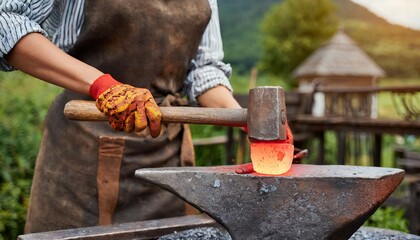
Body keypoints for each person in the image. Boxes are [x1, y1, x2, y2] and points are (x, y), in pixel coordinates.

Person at [0, 0, 244, 233]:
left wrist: (243, 119)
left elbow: (203, 70)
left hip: (169, 164)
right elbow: (7, 21)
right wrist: (101, 85)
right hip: (84, 159)